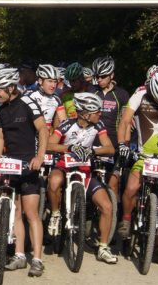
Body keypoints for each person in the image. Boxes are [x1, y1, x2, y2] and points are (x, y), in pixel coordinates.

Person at [46, 92, 118, 264]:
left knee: (107, 206)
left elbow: (110, 148)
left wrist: (92, 150)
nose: (100, 114)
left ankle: (103, 247)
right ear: (86, 114)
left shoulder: (98, 125)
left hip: (85, 172)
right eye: (97, 112)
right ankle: (55, 214)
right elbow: (48, 144)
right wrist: (69, 148)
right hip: (64, 167)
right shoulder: (66, 124)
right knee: (54, 182)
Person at [0, 68, 49, 277]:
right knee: (15, 212)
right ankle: (19, 255)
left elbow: (43, 129)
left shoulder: (28, 102)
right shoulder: (1, 110)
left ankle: (37, 260)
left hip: (29, 164)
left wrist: (39, 157)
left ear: (10, 88)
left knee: (31, 214)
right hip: (10, 165)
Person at [117, 70, 158, 265]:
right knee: (131, 189)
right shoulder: (140, 95)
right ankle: (127, 219)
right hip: (144, 156)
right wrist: (123, 145)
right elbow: (125, 119)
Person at [91, 56, 130, 201]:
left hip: (114, 143)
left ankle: (114, 211)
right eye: (97, 76)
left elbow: (126, 121)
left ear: (112, 75)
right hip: (93, 141)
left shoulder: (122, 94)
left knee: (112, 183)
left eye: (103, 76)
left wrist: (125, 143)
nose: (99, 80)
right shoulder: (91, 91)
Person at [28, 64, 67, 131]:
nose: (53, 85)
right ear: (40, 81)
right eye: (50, 81)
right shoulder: (30, 96)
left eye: (55, 82)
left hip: (46, 135)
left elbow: (64, 122)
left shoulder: (56, 99)